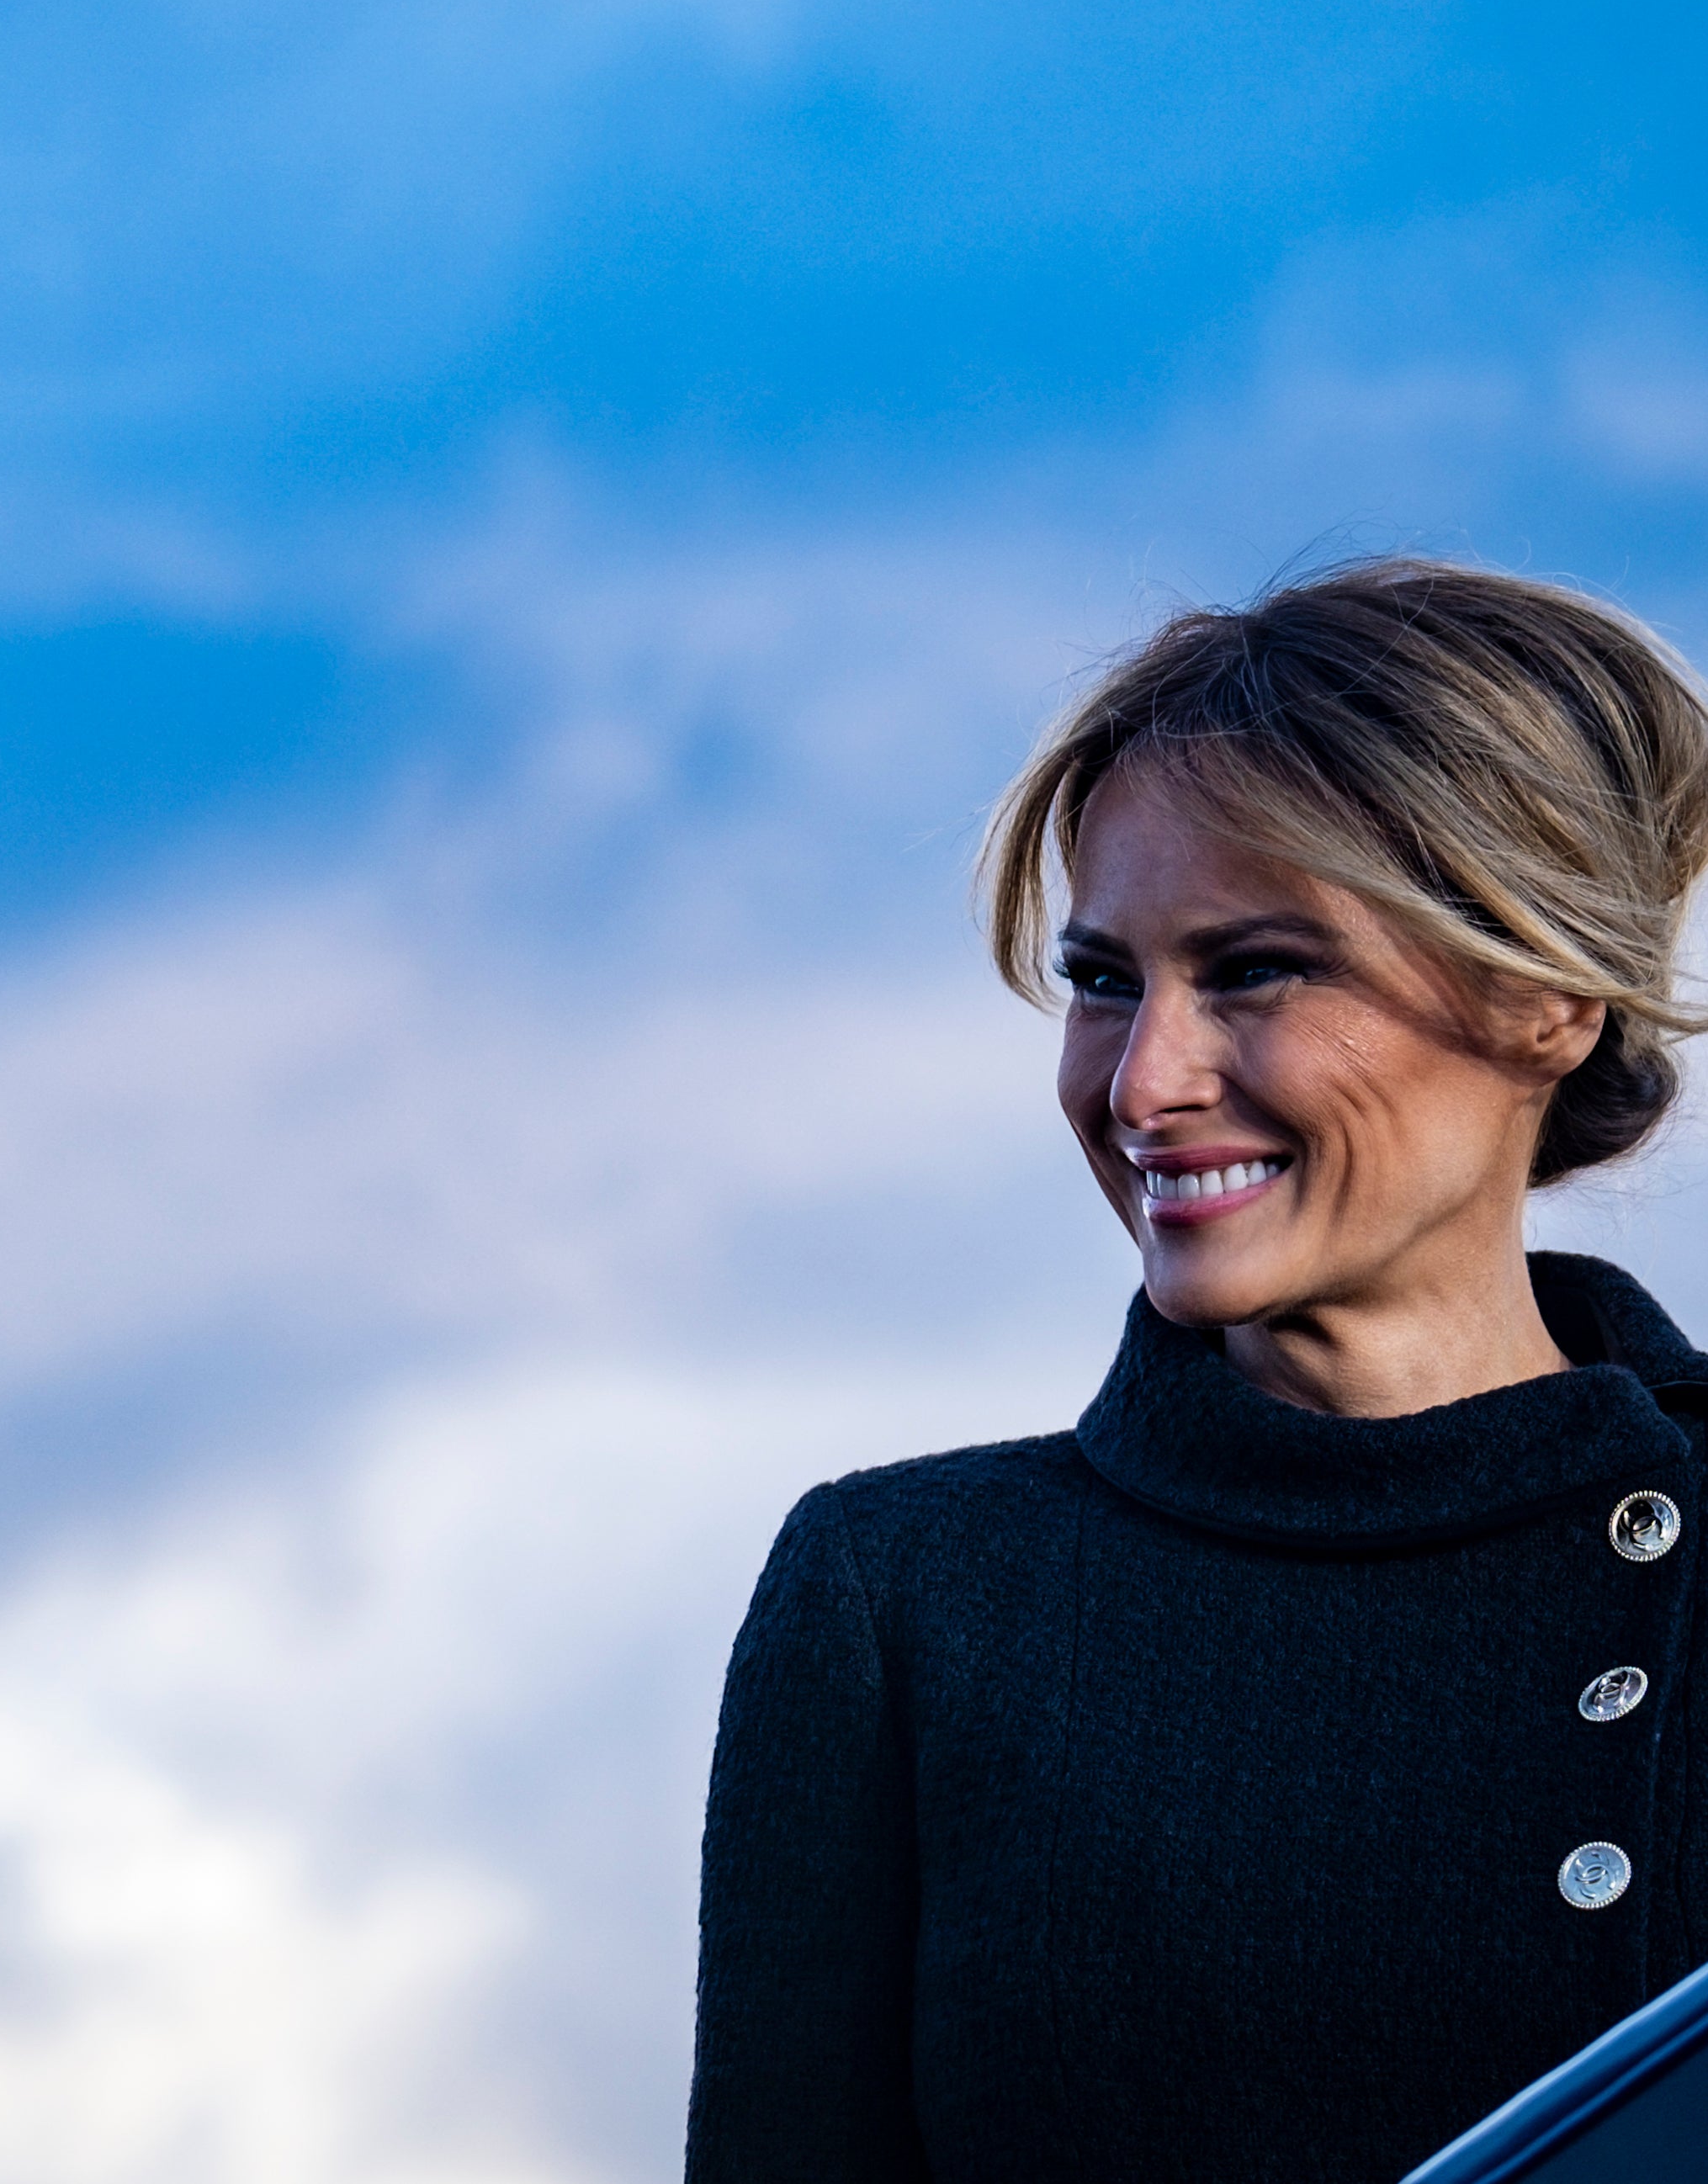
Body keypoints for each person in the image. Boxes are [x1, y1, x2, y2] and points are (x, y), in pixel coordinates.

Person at [686, 559, 1708, 2181]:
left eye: (1254, 968)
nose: (1143, 1081)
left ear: (1544, 998)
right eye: (1104, 981)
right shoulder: (908, 1598)